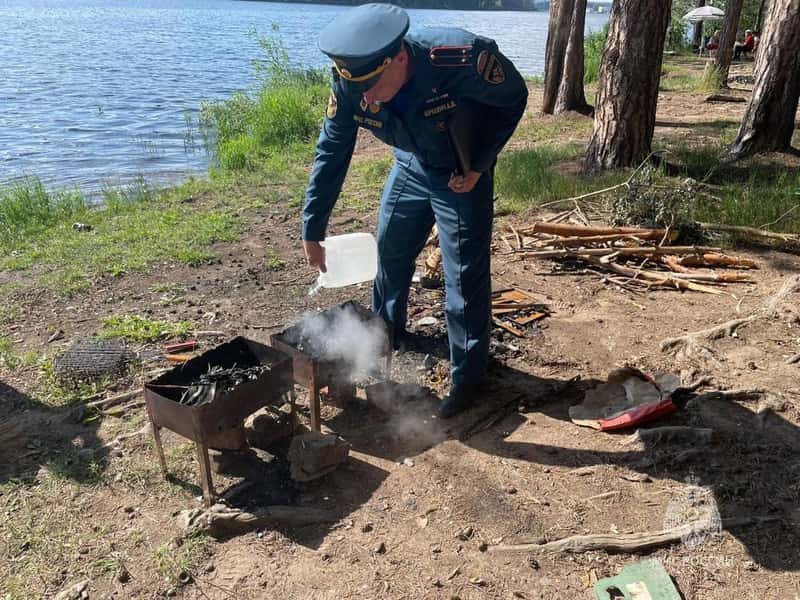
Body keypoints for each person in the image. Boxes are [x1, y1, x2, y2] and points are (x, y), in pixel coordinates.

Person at [301, 3, 528, 418]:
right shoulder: (351, 81)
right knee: (391, 255)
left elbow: (513, 98)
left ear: (400, 58)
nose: (365, 98)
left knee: (463, 277)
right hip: (410, 165)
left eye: (372, 86)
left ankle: (468, 377)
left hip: (460, 174)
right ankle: (387, 336)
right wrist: (312, 229)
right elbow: (332, 151)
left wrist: (479, 164)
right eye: (358, 89)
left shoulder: (461, 57)